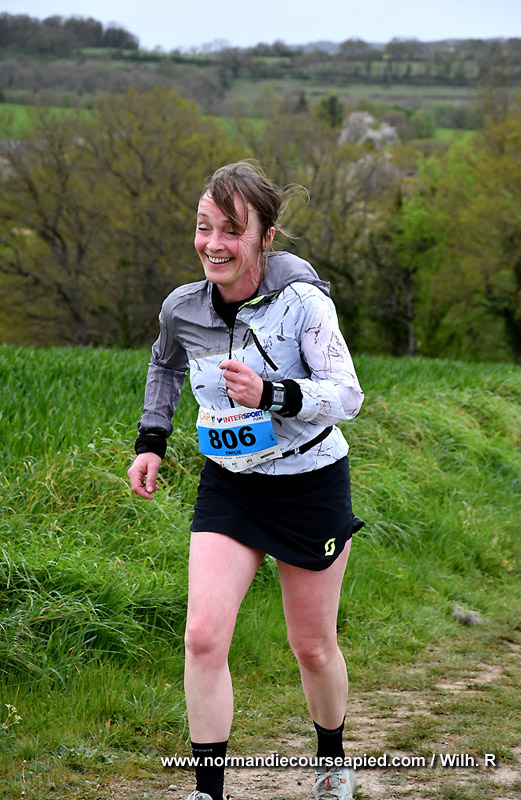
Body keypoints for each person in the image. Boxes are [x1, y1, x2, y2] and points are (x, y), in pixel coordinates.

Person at [127, 160, 365, 800]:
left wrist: (273, 393)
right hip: (230, 482)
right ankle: (208, 791)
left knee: (312, 647)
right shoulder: (183, 307)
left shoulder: (304, 303)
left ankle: (332, 767)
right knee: (203, 637)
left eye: (232, 230)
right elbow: (164, 364)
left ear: (265, 237)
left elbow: (347, 395)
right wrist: (152, 442)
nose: (214, 244)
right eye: (204, 227)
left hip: (309, 482)